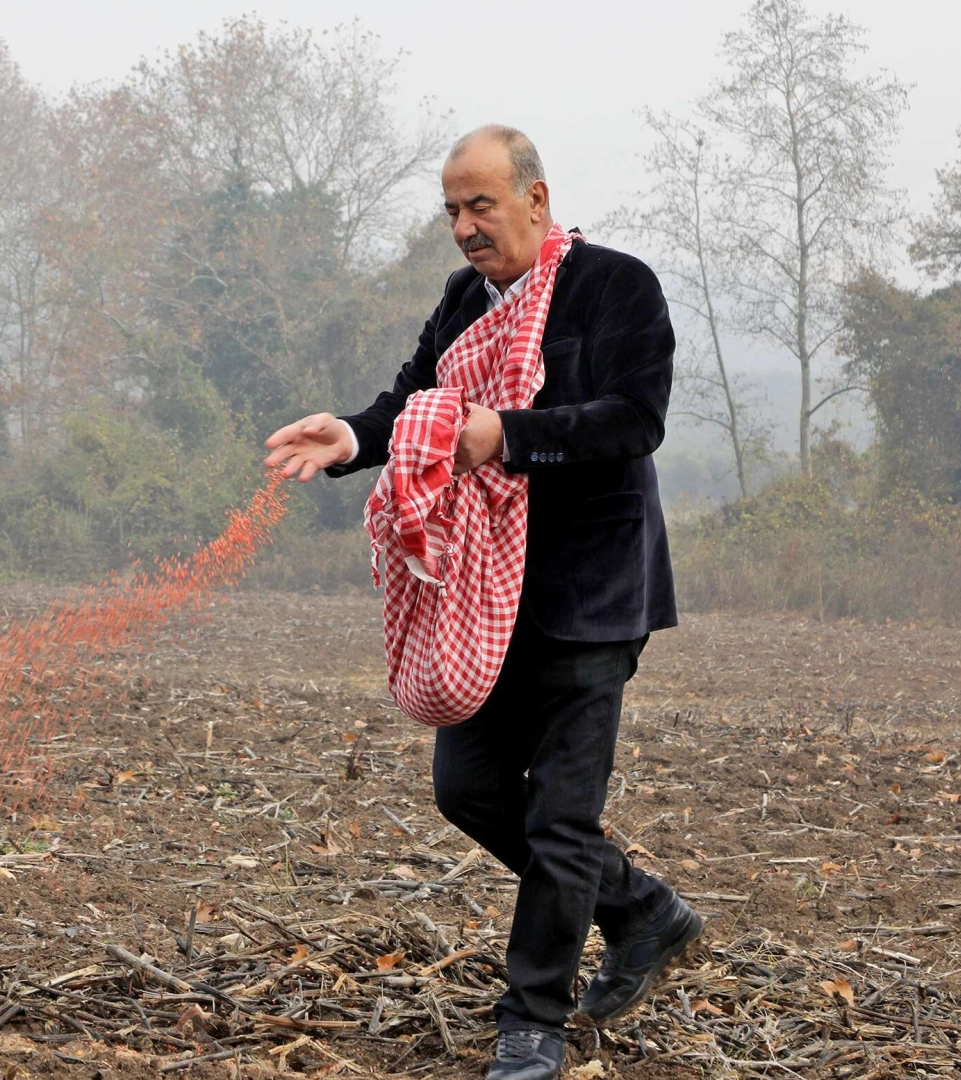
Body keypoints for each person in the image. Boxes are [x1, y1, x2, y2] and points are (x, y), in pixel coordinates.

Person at [264, 125, 701, 1080]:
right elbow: (415, 403)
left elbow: (635, 421)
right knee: (467, 790)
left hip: (590, 596)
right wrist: (348, 435)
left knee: (560, 820)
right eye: (453, 211)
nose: (465, 228)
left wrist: (504, 434)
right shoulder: (468, 300)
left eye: (482, 206)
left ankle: (532, 1023)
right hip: (479, 595)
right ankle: (643, 912)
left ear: (536, 202)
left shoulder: (616, 286)